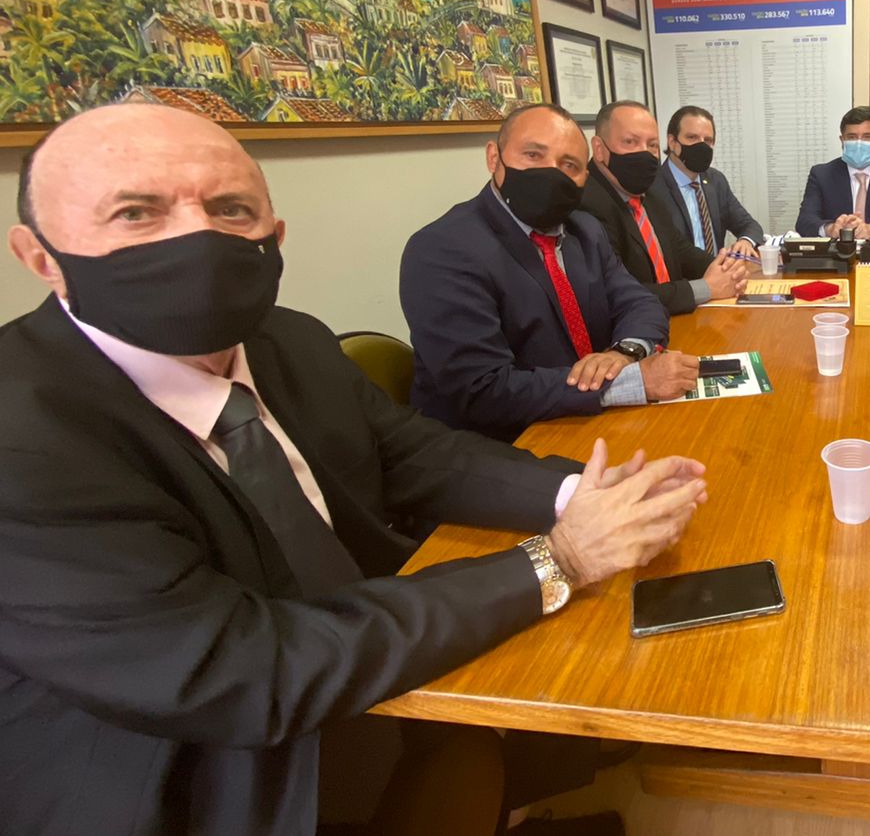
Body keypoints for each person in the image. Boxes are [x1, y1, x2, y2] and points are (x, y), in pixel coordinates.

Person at [0, 103, 709, 835]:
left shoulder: (289, 340)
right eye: (136, 213)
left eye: (230, 209)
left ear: (274, 236)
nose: (195, 236)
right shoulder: (23, 443)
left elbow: (415, 453)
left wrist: (581, 492)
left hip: (363, 651)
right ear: (41, 256)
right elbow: (243, 670)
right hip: (194, 774)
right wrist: (557, 559)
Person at [401, 104, 701, 441]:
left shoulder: (585, 230)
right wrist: (627, 383)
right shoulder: (443, 249)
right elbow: (482, 390)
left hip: (586, 421)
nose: (550, 173)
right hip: (499, 442)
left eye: (569, 165)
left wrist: (626, 353)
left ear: (584, 177)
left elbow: (640, 303)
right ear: (493, 157)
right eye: (533, 155)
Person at [578, 100, 749, 316]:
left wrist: (725, 269)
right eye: (630, 142)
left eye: (652, 145)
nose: (644, 153)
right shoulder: (586, 206)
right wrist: (706, 288)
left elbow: (678, 249)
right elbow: (618, 293)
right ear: (599, 149)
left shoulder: (643, 191)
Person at [652, 104, 765, 253]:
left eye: (707, 140)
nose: (701, 145)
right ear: (672, 142)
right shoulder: (652, 186)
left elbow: (749, 225)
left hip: (719, 266)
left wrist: (746, 241)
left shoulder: (715, 180)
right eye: (692, 137)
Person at [794, 105, 870, 241]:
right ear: (842, 141)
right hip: (836, 251)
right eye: (852, 137)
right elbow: (804, 221)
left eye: (867, 137)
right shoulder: (821, 175)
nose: (859, 143)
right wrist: (830, 229)